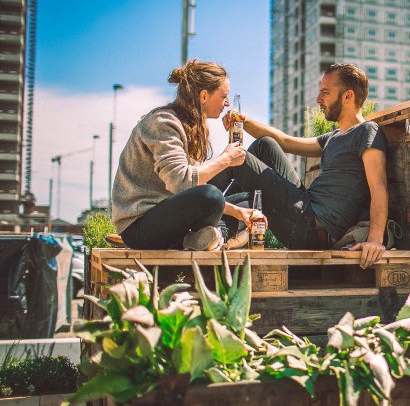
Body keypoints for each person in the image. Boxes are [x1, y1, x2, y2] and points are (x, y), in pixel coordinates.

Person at [217, 63, 388, 268]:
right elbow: (285, 142)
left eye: (325, 92)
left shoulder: (367, 132)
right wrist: (244, 123)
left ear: (348, 96)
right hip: (304, 211)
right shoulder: (333, 138)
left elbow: (379, 187)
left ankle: (196, 199)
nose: (318, 100)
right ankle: (214, 224)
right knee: (265, 146)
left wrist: (375, 240)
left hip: (314, 227)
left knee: (239, 157)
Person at [112, 60, 256, 251]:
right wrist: (226, 159)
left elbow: (192, 187)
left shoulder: (192, 128)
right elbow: (181, 182)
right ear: (204, 96)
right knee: (212, 197)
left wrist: (239, 212)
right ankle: (209, 237)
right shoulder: (163, 122)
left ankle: (207, 238)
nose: (227, 103)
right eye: (224, 96)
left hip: (171, 215)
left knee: (248, 200)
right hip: (139, 225)